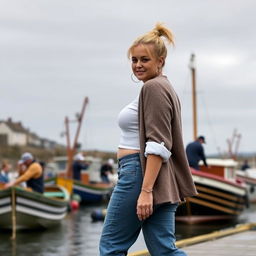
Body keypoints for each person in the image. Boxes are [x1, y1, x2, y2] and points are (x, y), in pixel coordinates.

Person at [99, 23, 197, 256]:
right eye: (134, 60)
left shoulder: (153, 88)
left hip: (139, 174)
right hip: (156, 176)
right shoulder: (164, 87)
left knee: (111, 247)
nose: (138, 65)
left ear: (160, 61)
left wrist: (145, 191)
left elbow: (158, 144)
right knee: (164, 251)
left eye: (145, 59)